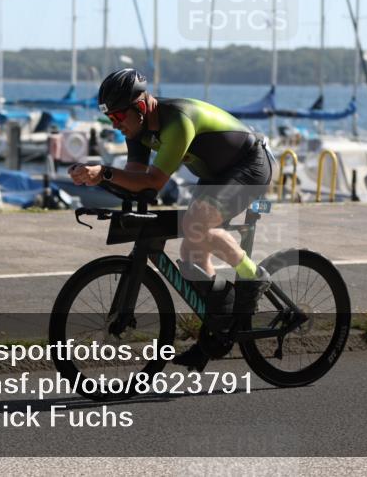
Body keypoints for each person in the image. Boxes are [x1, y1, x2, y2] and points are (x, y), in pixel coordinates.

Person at [69, 68, 274, 371]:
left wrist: (105, 172)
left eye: (118, 117)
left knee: (196, 224)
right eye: (110, 119)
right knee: (190, 255)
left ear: (140, 107)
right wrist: (96, 180)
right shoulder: (136, 131)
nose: (116, 125)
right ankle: (217, 330)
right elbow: (135, 180)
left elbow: (153, 182)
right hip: (216, 174)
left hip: (251, 165)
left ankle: (253, 275)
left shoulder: (177, 120)